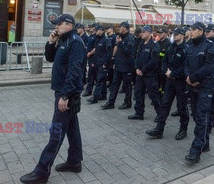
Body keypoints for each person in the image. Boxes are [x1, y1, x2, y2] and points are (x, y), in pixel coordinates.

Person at [20, 14, 85, 183]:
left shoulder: (75, 42)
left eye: (59, 24)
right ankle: (74, 161)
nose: (56, 27)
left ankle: (42, 171)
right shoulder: (64, 40)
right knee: (72, 128)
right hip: (63, 91)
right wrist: (51, 42)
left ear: (69, 25)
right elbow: (50, 58)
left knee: (56, 131)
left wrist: (65, 96)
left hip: (67, 94)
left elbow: (75, 70)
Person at [145, 27, 189, 139]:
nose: (174, 35)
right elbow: (164, 60)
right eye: (174, 33)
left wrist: (173, 73)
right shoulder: (171, 47)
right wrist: (165, 71)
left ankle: (183, 129)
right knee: (165, 104)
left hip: (180, 82)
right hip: (169, 81)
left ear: (182, 35)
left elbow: (186, 67)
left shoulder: (186, 49)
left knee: (181, 107)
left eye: (177, 34)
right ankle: (159, 129)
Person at [184, 22, 214, 163]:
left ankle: (196, 150)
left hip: (205, 87)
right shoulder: (190, 46)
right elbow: (186, 64)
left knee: (202, 118)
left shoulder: (210, 46)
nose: (190, 32)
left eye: (193, 29)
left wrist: (194, 77)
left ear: (201, 31)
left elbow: (209, 66)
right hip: (193, 86)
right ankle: (205, 143)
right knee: (197, 117)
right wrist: (188, 78)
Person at [128, 26, 161, 120]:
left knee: (153, 95)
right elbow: (137, 56)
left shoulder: (154, 45)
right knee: (138, 93)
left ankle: (160, 114)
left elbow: (154, 61)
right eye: (141, 31)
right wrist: (137, 68)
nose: (141, 33)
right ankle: (139, 113)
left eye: (143, 32)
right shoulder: (141, 43)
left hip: (149, 74)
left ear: (149, 33)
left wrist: (144, 70)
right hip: (140, 74)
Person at [101, 21, 134, 110]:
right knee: (114, 84)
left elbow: (128, 52)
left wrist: (121, 43)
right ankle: (111, 102)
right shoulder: (119, 37)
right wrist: (115, 62)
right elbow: (118, 52)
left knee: (127, 86)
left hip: (126, 66)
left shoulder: (130, 38)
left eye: (121, 27)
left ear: (125, 28)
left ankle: (127, 102)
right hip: (118, 65)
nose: (120, 28)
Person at [87, 26, 112, 104]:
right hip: (97, 63)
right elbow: (97, 52)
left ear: (101, 31)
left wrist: (105, 63)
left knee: (99, 80)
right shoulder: (98, 39)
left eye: (97, 30)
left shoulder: (106, 40)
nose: (96, 32)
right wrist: (94, 62)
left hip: (103, 63)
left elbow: (109, 53)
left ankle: (95, 97)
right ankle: (103, 95)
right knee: (102, 80)